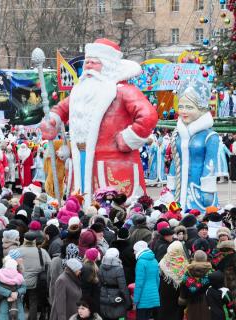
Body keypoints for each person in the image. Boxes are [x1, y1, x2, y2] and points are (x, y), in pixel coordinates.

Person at [41, 38, 158, 206]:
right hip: (80, 162)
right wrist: (52, 121)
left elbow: (148, 115)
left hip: (113, 165)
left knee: (114, 211)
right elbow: (61, 109)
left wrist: (128, 138)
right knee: (80, 207)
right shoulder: (80, 91)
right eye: (87, 62)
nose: (88, 66)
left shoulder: (123, 91)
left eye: (94, 63)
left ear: (108, 65)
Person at [167, 78, 219, 211]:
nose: (183, 111)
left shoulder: (210, 136)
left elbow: (210, 166)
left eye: (189, 107)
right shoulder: (178, 133)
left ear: (201, 109)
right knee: (173, 219)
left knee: (198, 221)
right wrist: (170, 185)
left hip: (198, 191)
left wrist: (207, 191)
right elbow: (175, 161)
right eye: (181, 106)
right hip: (177, 193)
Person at [18, 232, 51, 320]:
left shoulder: (18, 251)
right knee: (33, 302)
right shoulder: (41, 251)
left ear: (24, 240)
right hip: (35, 282)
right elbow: (49, 264)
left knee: (18, 302)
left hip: (20, 282)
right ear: (35, 241)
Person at [157, 241, 189, 320]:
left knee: (165, 311)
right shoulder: (185, 264)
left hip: (164, 293)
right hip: (178, 294)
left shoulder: (163, 261)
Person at [179, 250, 213, 320]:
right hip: (207, 304)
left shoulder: (188, 272)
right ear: (205, 258)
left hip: (191, 304)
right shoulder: (211, 272)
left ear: (194, 258)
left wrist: (182, 299)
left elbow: (183, 290)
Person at [99, 248, 131, 320]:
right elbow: (123, 287)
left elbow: (99, 283)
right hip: (116, 297)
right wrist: (128, 302)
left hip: (103, 295)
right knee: (120, 317)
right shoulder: (118, 269)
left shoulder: (101, 266)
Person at [133, 241, 160, 320]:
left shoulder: (140, 262)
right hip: (154, 297)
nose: (134, 252)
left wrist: (135, 301)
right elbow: (157, 280)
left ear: (139, 250)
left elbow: (139, 284)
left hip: (143, 300)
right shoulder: (154, 260)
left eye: (135, 250)